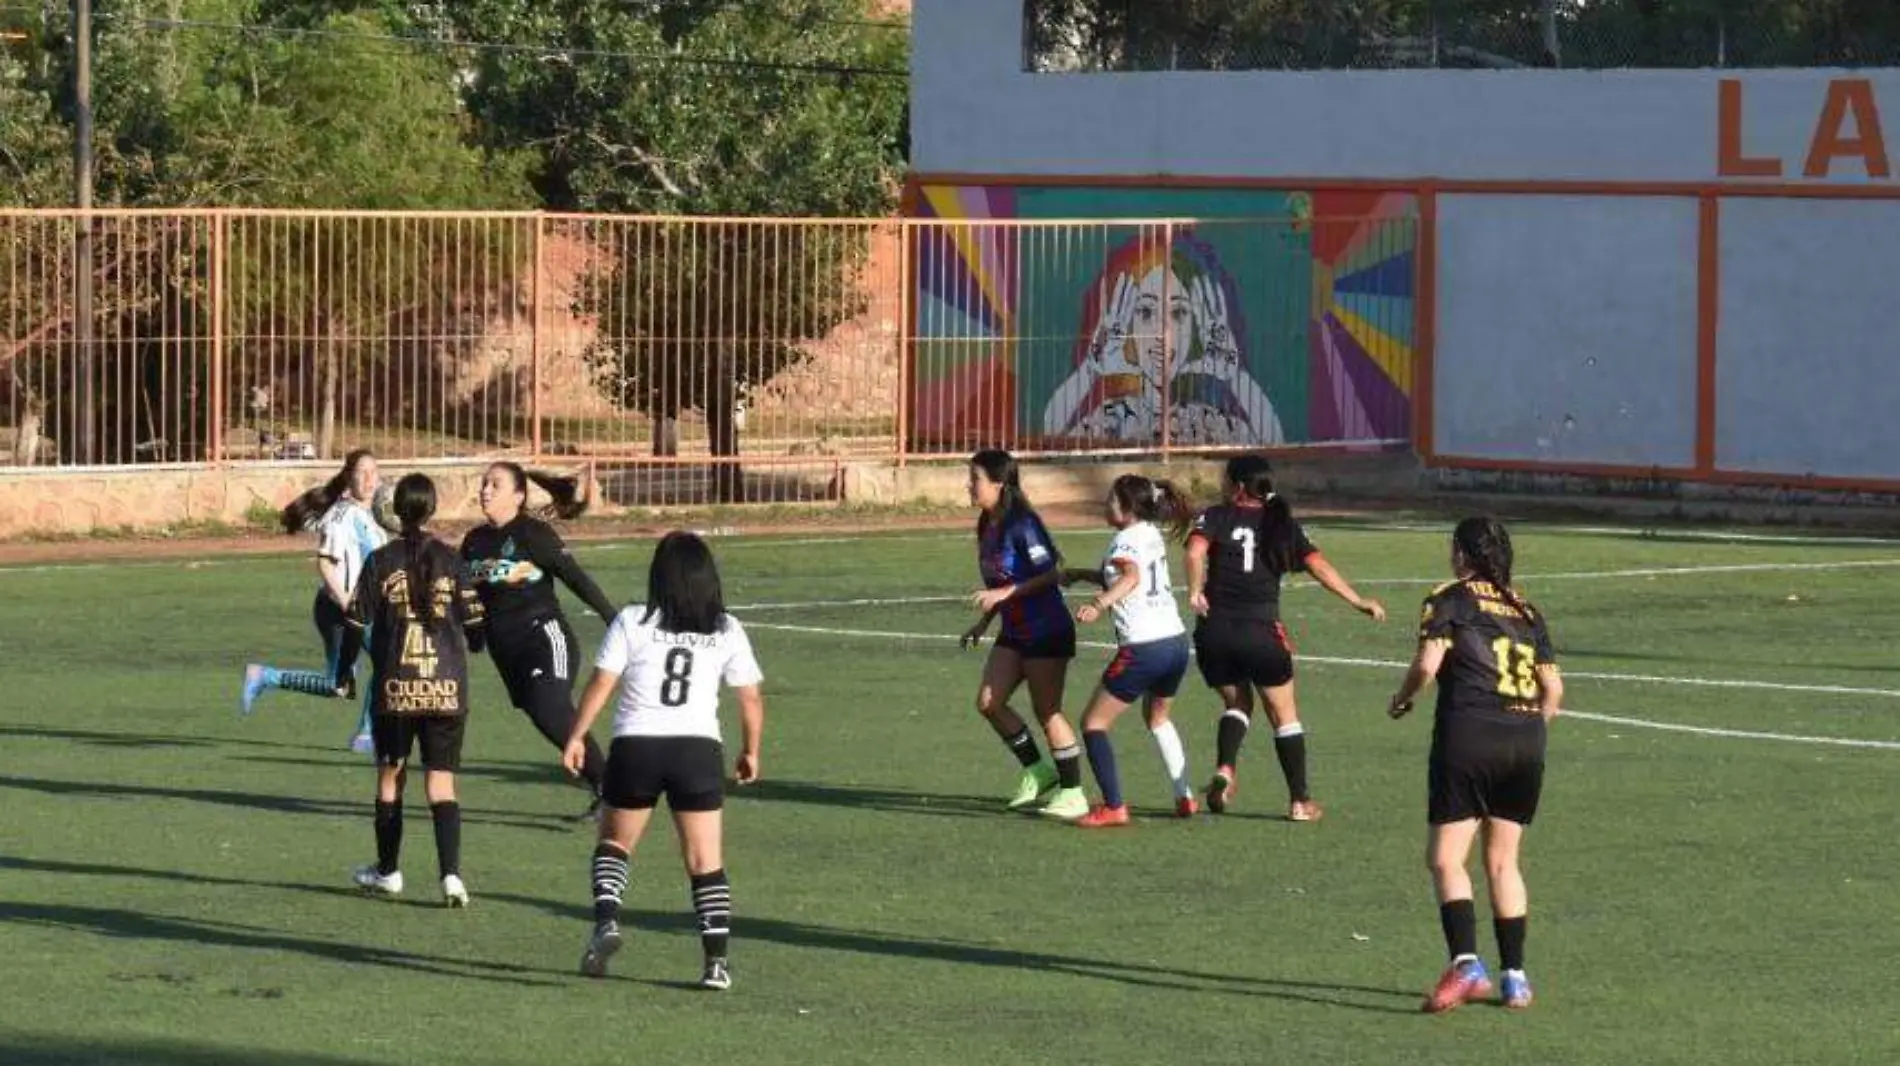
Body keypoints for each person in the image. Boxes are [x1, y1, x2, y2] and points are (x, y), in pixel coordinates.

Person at [564, 532, 765, 991]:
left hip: (637, 746)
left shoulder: (633, 621)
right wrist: (750, 749)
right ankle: (715, 964)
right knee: (704, 860)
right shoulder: (726, 629)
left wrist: (577, 735)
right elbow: (750, 697)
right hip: (696, 749)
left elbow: (601, 683)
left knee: (614, 843)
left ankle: (607, 923)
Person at [1388, 517, 1562, 1013]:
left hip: (1469, 734)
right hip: (1526, 741)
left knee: (1446, 858)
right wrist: (1526, 729)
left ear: (1463, 554)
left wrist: (1402, 701)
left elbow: (1427, 664)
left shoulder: (1450, 597)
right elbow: (1554, 691)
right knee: (1504, 860)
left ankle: (1467, 964)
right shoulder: (1526, 609)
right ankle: (1516, 979)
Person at [1184, 456, 1384, 821]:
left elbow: (1194, 550)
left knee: (1238, 704)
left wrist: (1196, 589)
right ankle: (1299, 801)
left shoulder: (1215, 516)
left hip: (1215, 632)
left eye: (1226, 479)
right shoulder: (1282, 523)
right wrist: (1357, 600)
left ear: (1239, 486)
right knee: (1284, 715)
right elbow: (1318, 565)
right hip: (1261, 632)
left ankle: (1226, 768)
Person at [345, 473, 486, 907]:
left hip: (397, 687)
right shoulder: (451, 559)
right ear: (431, 510)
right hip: (446, 689)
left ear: (393, 510)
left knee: (391, 778)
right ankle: (451, 878)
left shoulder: (381, 561)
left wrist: (343, 672)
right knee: (442, 785)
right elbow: (478, 631)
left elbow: (354, 622)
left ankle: (388, 872)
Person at [460, 463, 619, 818]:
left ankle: (612, 788)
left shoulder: (534, 534)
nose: (485, 490)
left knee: (550, 707)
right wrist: (471, 635)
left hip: (545, 637)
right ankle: (606, 787)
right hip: (507, 652)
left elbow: (575, 578)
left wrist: (613, 618)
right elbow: (464, 597)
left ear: (518, 496)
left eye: (495, 485)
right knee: (543, 713)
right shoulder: (473, 542)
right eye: (485, 483)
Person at [1062, 475, 1198, 828]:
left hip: (1143, 648)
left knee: (1093, 724)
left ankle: (1113, 807)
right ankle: (1184, 795)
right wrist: (1084, 574)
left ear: (1128, 507)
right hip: (1176, 643)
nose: (1106, 505)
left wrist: (1098, 604)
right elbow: (1130, 575)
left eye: (1111, 500)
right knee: (1157, 718)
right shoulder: (1150, 532)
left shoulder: (1124, 539)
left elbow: (1132, 577)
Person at [960, 449, 1088, 820]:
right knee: (989, 702)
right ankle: (1038, 770)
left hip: (1047, 629)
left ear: (999, 484)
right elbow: (1000, 581)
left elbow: (1051, 574)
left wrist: (1003, 594)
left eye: (976, 479)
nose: (969, 486)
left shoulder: (1023, 524)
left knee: (1048, 711)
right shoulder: (987, 524)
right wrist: (984, 622)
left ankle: (1074, 792)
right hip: (1015, 629)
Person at [242, 448, 389, 753]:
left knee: (339, 685)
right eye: (362, 472)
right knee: (387, 663)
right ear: (349, 477)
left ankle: (265, 676)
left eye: (374, 472)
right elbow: (325, 563)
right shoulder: (343, 515)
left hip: (354, 609)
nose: (369, 479)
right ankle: (367, 734)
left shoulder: (367, 517)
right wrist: (348, 602)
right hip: (340, 609)